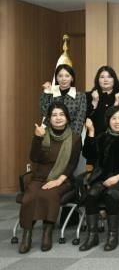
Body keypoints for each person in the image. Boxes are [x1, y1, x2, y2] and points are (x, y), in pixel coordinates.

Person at [18, 103, 82, 253]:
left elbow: (72, 164)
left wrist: (58, 180)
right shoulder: (42, 133)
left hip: (63, 178)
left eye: (61, 114)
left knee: (49, 194)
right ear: (49, 118)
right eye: (54, 115)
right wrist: (37, 138)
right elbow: (34, 158)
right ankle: (27, 235)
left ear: (67, 118)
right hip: (39, 177)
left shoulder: (75, 138)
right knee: (30, 196)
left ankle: (47, 232)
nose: (58, 118)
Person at [79, 106, 119, 252]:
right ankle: (92, 236)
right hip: (103, 178)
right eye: (114, 118)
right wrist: (91, 132)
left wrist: (118, 177)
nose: (117, 121)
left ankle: (112, 236)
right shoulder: (102, 138)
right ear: (108, 121)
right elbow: (88, 154)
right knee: (91, 195)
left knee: (110, 195)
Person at [40, 64, 87, 135]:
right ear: (56, 78)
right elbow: (44, 112)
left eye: (67, 76)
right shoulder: (50, 93)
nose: (63, 79)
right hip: (50, 135)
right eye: (60, 76)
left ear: (72, 78)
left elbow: (79, 120)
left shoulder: (80, 96)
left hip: (71, 136)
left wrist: (72, 137)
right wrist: (47, 92)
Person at [86, 66, 119, 135]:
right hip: (95, 135)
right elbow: (85, 118)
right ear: (97, 80)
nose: (105, 80)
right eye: (102, 77)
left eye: (109, 77)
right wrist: (94, 102)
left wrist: (117, 103)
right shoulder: (90, 95)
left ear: (114, 79)